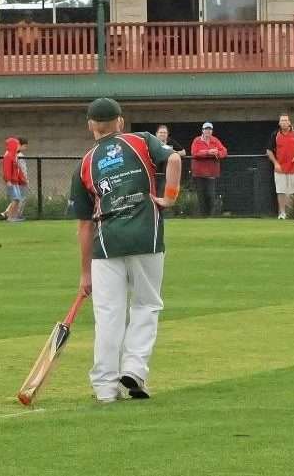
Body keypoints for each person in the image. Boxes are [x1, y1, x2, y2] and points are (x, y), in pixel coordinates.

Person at [68, 98, 181, 403]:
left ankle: (105, 387)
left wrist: (85, 273)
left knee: (108, 314)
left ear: (91, 126)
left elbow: (84, 226)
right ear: (120, 121)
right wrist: (170, 197)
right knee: (146, 304)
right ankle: (134, 369)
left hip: (107, 243)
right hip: (146, 236)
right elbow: (174, 159)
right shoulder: (141, 140)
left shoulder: (85, 163)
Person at [266, 113, 294, 221]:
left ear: (289, 122)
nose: (284, 122)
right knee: (281, 191)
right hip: (280, 169)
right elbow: (269, 151)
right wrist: (275, 163)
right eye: (282, 120)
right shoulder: (275, 135)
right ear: (279, 123)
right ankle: (282, 213)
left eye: (286, 120)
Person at [189, 122, 228, 217]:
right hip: (198, 173)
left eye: (210, 129)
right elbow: (194, 153)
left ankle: (211, 216)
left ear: (212, 131)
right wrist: (208, 152)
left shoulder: (215, 140)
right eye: (206, 129)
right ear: (202, 130)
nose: (208, 131)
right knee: (201, 196)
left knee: (211, 195)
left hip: (212, 173)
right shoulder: (197, 140)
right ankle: (202, 217)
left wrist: (217, 153)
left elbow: (224, 151)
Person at [0, 137, 29, 222]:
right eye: (17, 145)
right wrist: (8, 180)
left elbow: (18, 170)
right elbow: (7, 169)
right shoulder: (8, 156)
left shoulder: (14, 156)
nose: (18, 147)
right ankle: (10, 217)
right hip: (11, 182)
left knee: (17, 199)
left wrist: (23, 179)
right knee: (15, 199)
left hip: (15, 181)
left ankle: (14, 216)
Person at [152, 125, 185, 192]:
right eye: (161, 132)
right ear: (156, 134)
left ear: (167, 134)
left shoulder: (171, 141)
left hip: (168, 173)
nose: (162, 134)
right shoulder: (152, 142)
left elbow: (183, 152)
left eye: (164, 133)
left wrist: (174, 153)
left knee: (166, 191)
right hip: (154, 173)